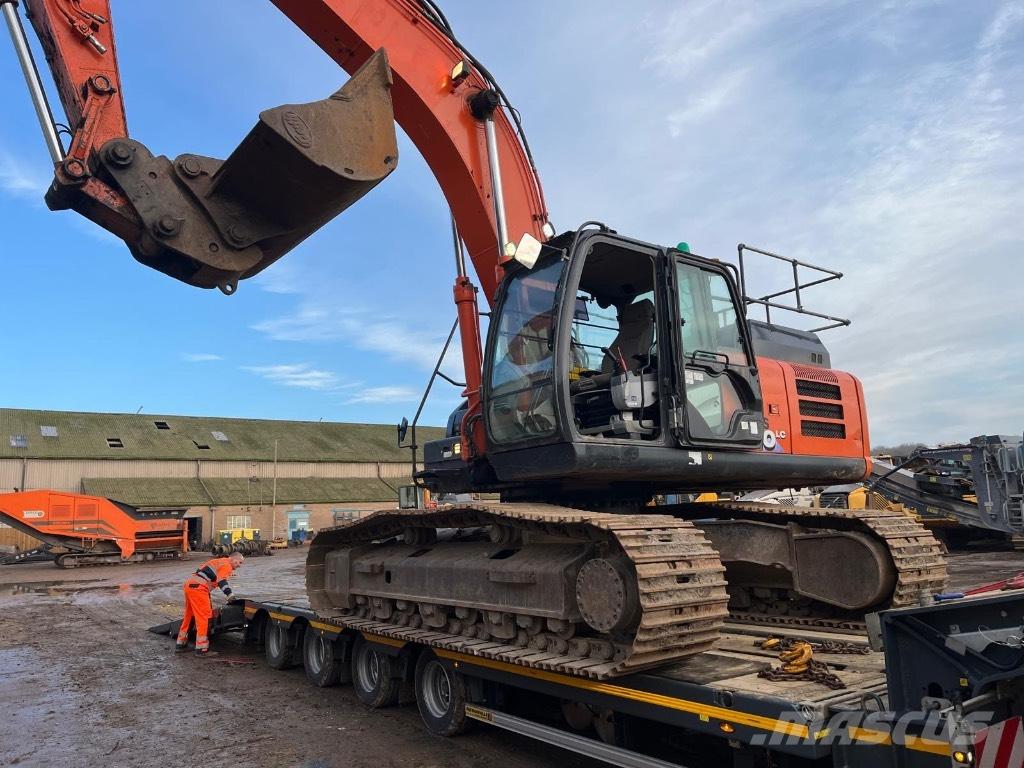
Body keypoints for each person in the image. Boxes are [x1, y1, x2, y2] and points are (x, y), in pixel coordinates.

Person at [176, 551, 244, 655]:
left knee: (189, 616)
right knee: (205, 618)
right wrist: (230, 595)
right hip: (199, 589)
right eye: (239, 562)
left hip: (190, 585)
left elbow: (201, 571)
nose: (239, 565)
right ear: (233, 559)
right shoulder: (227, 565)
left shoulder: (218, 561)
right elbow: (221, 581)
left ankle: (181, 644)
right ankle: (202, 649)